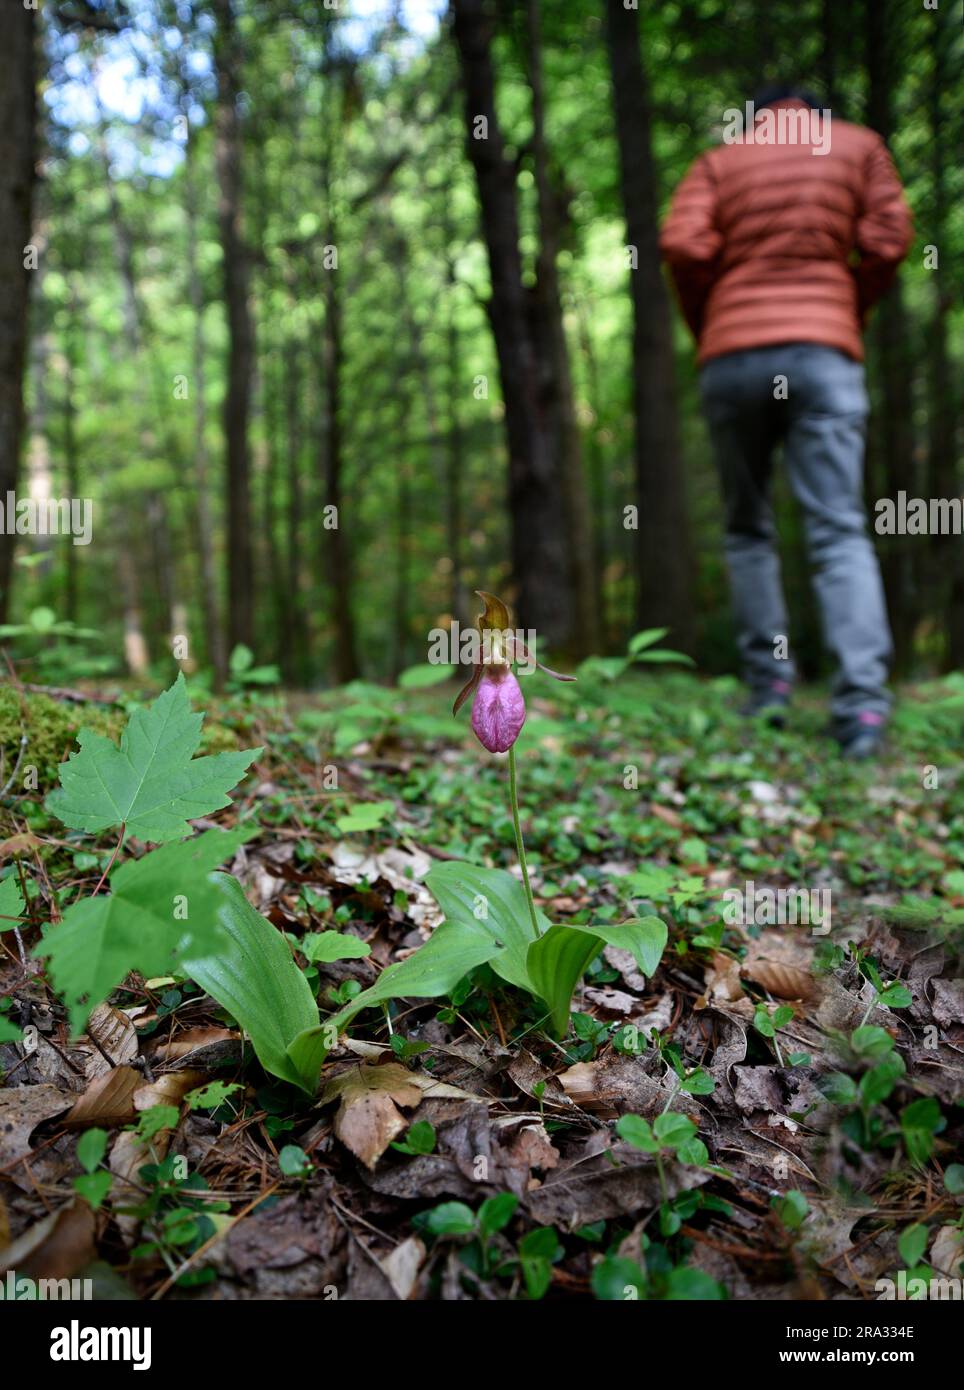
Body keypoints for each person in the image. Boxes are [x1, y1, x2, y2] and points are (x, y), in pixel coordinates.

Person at [660, 84, 914, 758]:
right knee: (838, 529)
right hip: (824, 355)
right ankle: (861, 708)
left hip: (732, 359)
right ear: (816, 113)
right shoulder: (859, 148)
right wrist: (843, 310)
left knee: (748, 528)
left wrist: (711, 321)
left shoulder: (721, 161)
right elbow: (889, 240)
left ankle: (768, 688)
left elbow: (682, 246)